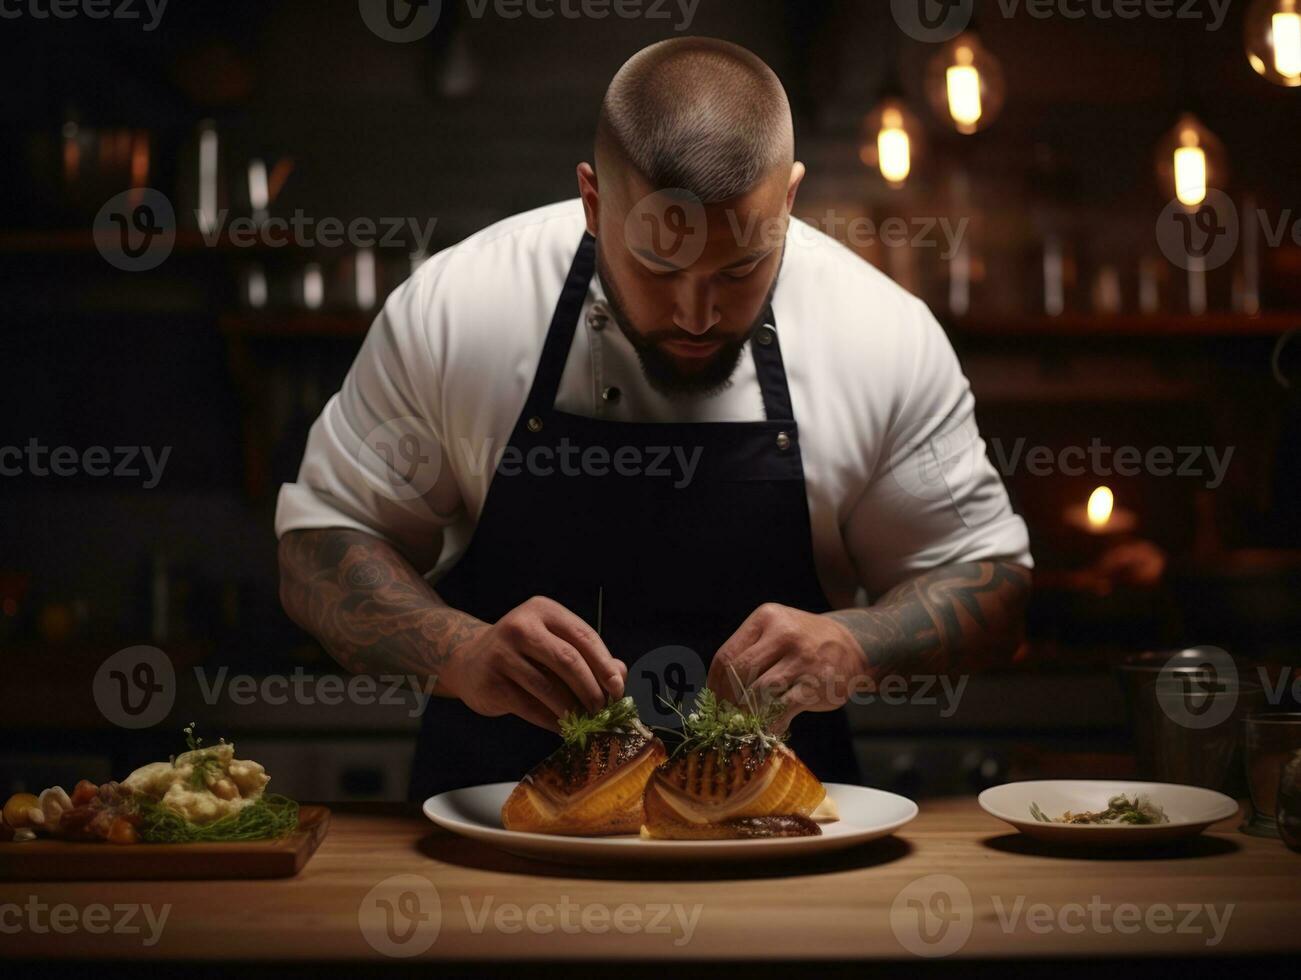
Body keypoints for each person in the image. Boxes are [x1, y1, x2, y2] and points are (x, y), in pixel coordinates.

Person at [275, 37, 1033, 799]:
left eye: (739, 268)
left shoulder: (880, 334)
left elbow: (993, 588)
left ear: (790, 199)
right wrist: (458, 652)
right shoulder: (457, 311)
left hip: (782, 852)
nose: (697, 314)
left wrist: (856, 643)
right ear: (593, 202)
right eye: (657, 268)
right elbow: (317, 549)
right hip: (500, 840)